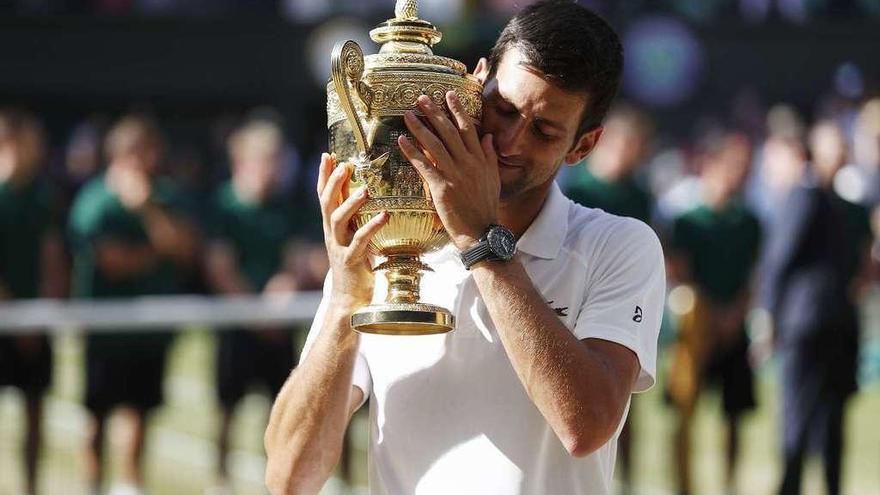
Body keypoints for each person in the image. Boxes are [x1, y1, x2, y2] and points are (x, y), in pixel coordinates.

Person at [264, 2, 665, 494]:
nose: (510, 141)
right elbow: (289, 476)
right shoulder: (386, 239)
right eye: (504, 108)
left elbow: (584, 426)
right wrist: (346, 299)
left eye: (544, 131)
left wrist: (480, 241)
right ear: (476, 82)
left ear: (583, 146)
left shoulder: (618, 246)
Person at [68, 115, 199, 495]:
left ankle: (129, 484)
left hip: (149, 331)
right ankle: (92, 484)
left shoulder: (165, 197)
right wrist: (152, 255)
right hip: (104, 328)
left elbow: (183, 248)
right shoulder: (95, 199)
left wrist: (147, 211)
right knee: (96, 413)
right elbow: (109, 260)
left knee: (139, 409)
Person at [762, 119, 872, 495]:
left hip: (832, 324)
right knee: (799, 418)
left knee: (829, 419)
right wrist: (770, 317)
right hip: (808, 323)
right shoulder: (808, 197)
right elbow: (781, 260)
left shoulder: (845, 206)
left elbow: (861, 267)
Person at [204, 118, 307, 495]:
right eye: (265, 159)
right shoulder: (224, 206)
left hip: (278, 327)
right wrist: (254, 310)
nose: (273, 168)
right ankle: (220, 480)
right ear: (242, 162)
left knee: (281, 407)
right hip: (239, 326)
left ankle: (276, 481)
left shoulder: (285, 205)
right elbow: (219, 266)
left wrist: (286, 286)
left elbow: (297, 257)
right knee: (227, 407)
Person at [665, 130, 762, 495]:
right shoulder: (688, 221)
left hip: (734, 327)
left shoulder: (749, 222)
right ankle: (683, 485)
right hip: (695, 329)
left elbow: (753, 273)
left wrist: (736, 313)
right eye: (732, 164)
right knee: (684, 411)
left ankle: (730, 484)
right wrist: (708, 312)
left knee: (735, 414)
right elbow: (680, 271)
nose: (738, 173)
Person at [564, 103, 654, 494]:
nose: (628, 152)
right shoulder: (574, 185)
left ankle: (626, 481)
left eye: (637, 146)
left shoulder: (638, 194)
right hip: (571, 301)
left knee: (623, 403)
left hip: (616, 303)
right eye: (624, 143)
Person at [0, 109, 67, 495]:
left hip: (33, 322)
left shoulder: (42, 196)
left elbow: (52, 254)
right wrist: (17, 316)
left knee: (35, 412)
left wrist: (41, 311)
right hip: (9, 321)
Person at [566, 104, 654, 224]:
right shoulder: (566, 178)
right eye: (618, 144)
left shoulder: (638, 199)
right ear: (601, 138)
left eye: (631, 148)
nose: (622, 153)